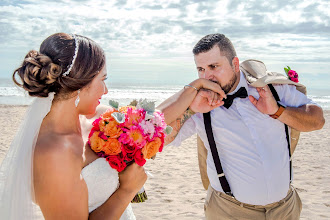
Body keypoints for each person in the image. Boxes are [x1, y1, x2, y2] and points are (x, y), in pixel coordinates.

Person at [157, 33, 325, 219]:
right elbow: (158, 136)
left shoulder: (273, 89)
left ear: (235, 64)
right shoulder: (200, 104)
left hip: (285, 209)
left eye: (214, 66)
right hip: (228, 211)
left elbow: (317, 120)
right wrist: (189, 106)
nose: (207, 77)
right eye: (201, 70)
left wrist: (277, 111)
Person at [0, 33, 147, 219]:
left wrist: (191, 90)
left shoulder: (94, 119)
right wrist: (127, 190)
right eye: (103, 79)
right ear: (80, 83)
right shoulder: (53, 152)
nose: (106, 90)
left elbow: (153, 119)